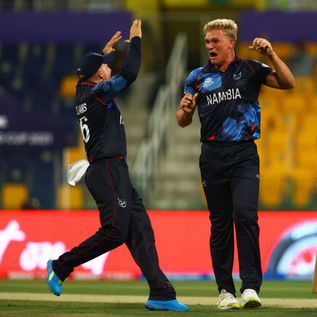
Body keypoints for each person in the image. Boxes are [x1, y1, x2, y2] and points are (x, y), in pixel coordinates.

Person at [46, 19, 188, 312]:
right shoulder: (99, 92)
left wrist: (104, 53)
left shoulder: (83, 92)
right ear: (99, 74)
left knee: (142, 230)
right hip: (108, 169)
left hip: (112, 170)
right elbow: (131, 74)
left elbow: (88, 73)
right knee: (115, 232)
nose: (109, 69)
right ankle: (61, 266)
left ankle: (161, 292)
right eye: (106, 67)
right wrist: (135, 42)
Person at [176, 18, 294, 310]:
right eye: (207, 42)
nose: (209, 47)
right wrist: (185, 111)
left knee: (246, 216)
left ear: (231, 42)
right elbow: (182, 121)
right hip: (212, 156)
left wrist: (271, 55)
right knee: (219, 224)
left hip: (243, 153)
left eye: (215, 41)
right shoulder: (197, 77)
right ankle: (225, 291)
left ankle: (251, 287)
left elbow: (288, 83)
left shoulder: (251, 69)